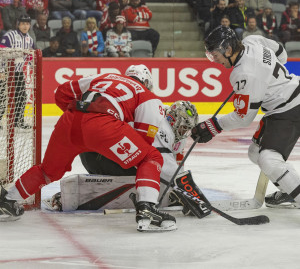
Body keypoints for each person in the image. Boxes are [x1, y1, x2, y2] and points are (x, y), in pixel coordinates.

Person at [0, 64, 177, 232]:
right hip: (104, 127)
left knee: (48, 171)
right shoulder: (148, 97)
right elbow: (143, 140)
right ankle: (147, 207)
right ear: (147, 83)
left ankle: (7, 200)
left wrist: (82, 122)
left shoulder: (106, 76)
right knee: (150, 157)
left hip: (69, 121)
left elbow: (61, 93)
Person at [191, 25, 300, 216]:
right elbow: (281, 53)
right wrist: (264, 78)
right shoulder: (253, 41)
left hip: (290, 107)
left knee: (269, 159)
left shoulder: (244, 73)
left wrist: (213, 125)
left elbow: (243, 117)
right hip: (284, 102)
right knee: (255, 152)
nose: (214, 60)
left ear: (228, 49)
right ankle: (290, 189)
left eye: (215, 54)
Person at [51, 100, 210, 219]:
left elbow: (176, 167)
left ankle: (89, 192)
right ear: (174, 120)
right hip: (98, 156)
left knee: (148, 170)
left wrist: (179, 189)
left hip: (96, 152)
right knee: (148, 171)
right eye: (183, 127)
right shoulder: (163, 126)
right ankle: (87, 195)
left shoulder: (172, 130)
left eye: (187, 129)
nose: (183, 132)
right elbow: (168, 168)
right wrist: (192, 196)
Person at [0, 14, 35, 129]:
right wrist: (1, 71)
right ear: (18, 24)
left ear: (30, 25)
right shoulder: (9, 36)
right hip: (5, 71)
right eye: (22, 23)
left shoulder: (29, 39)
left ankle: (18, 121)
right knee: (2, 97)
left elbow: (30, 57)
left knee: (22, 96)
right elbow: (1, 53)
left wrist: (35, 70)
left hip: (18, 72)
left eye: (27, 23)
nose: (25, 26)